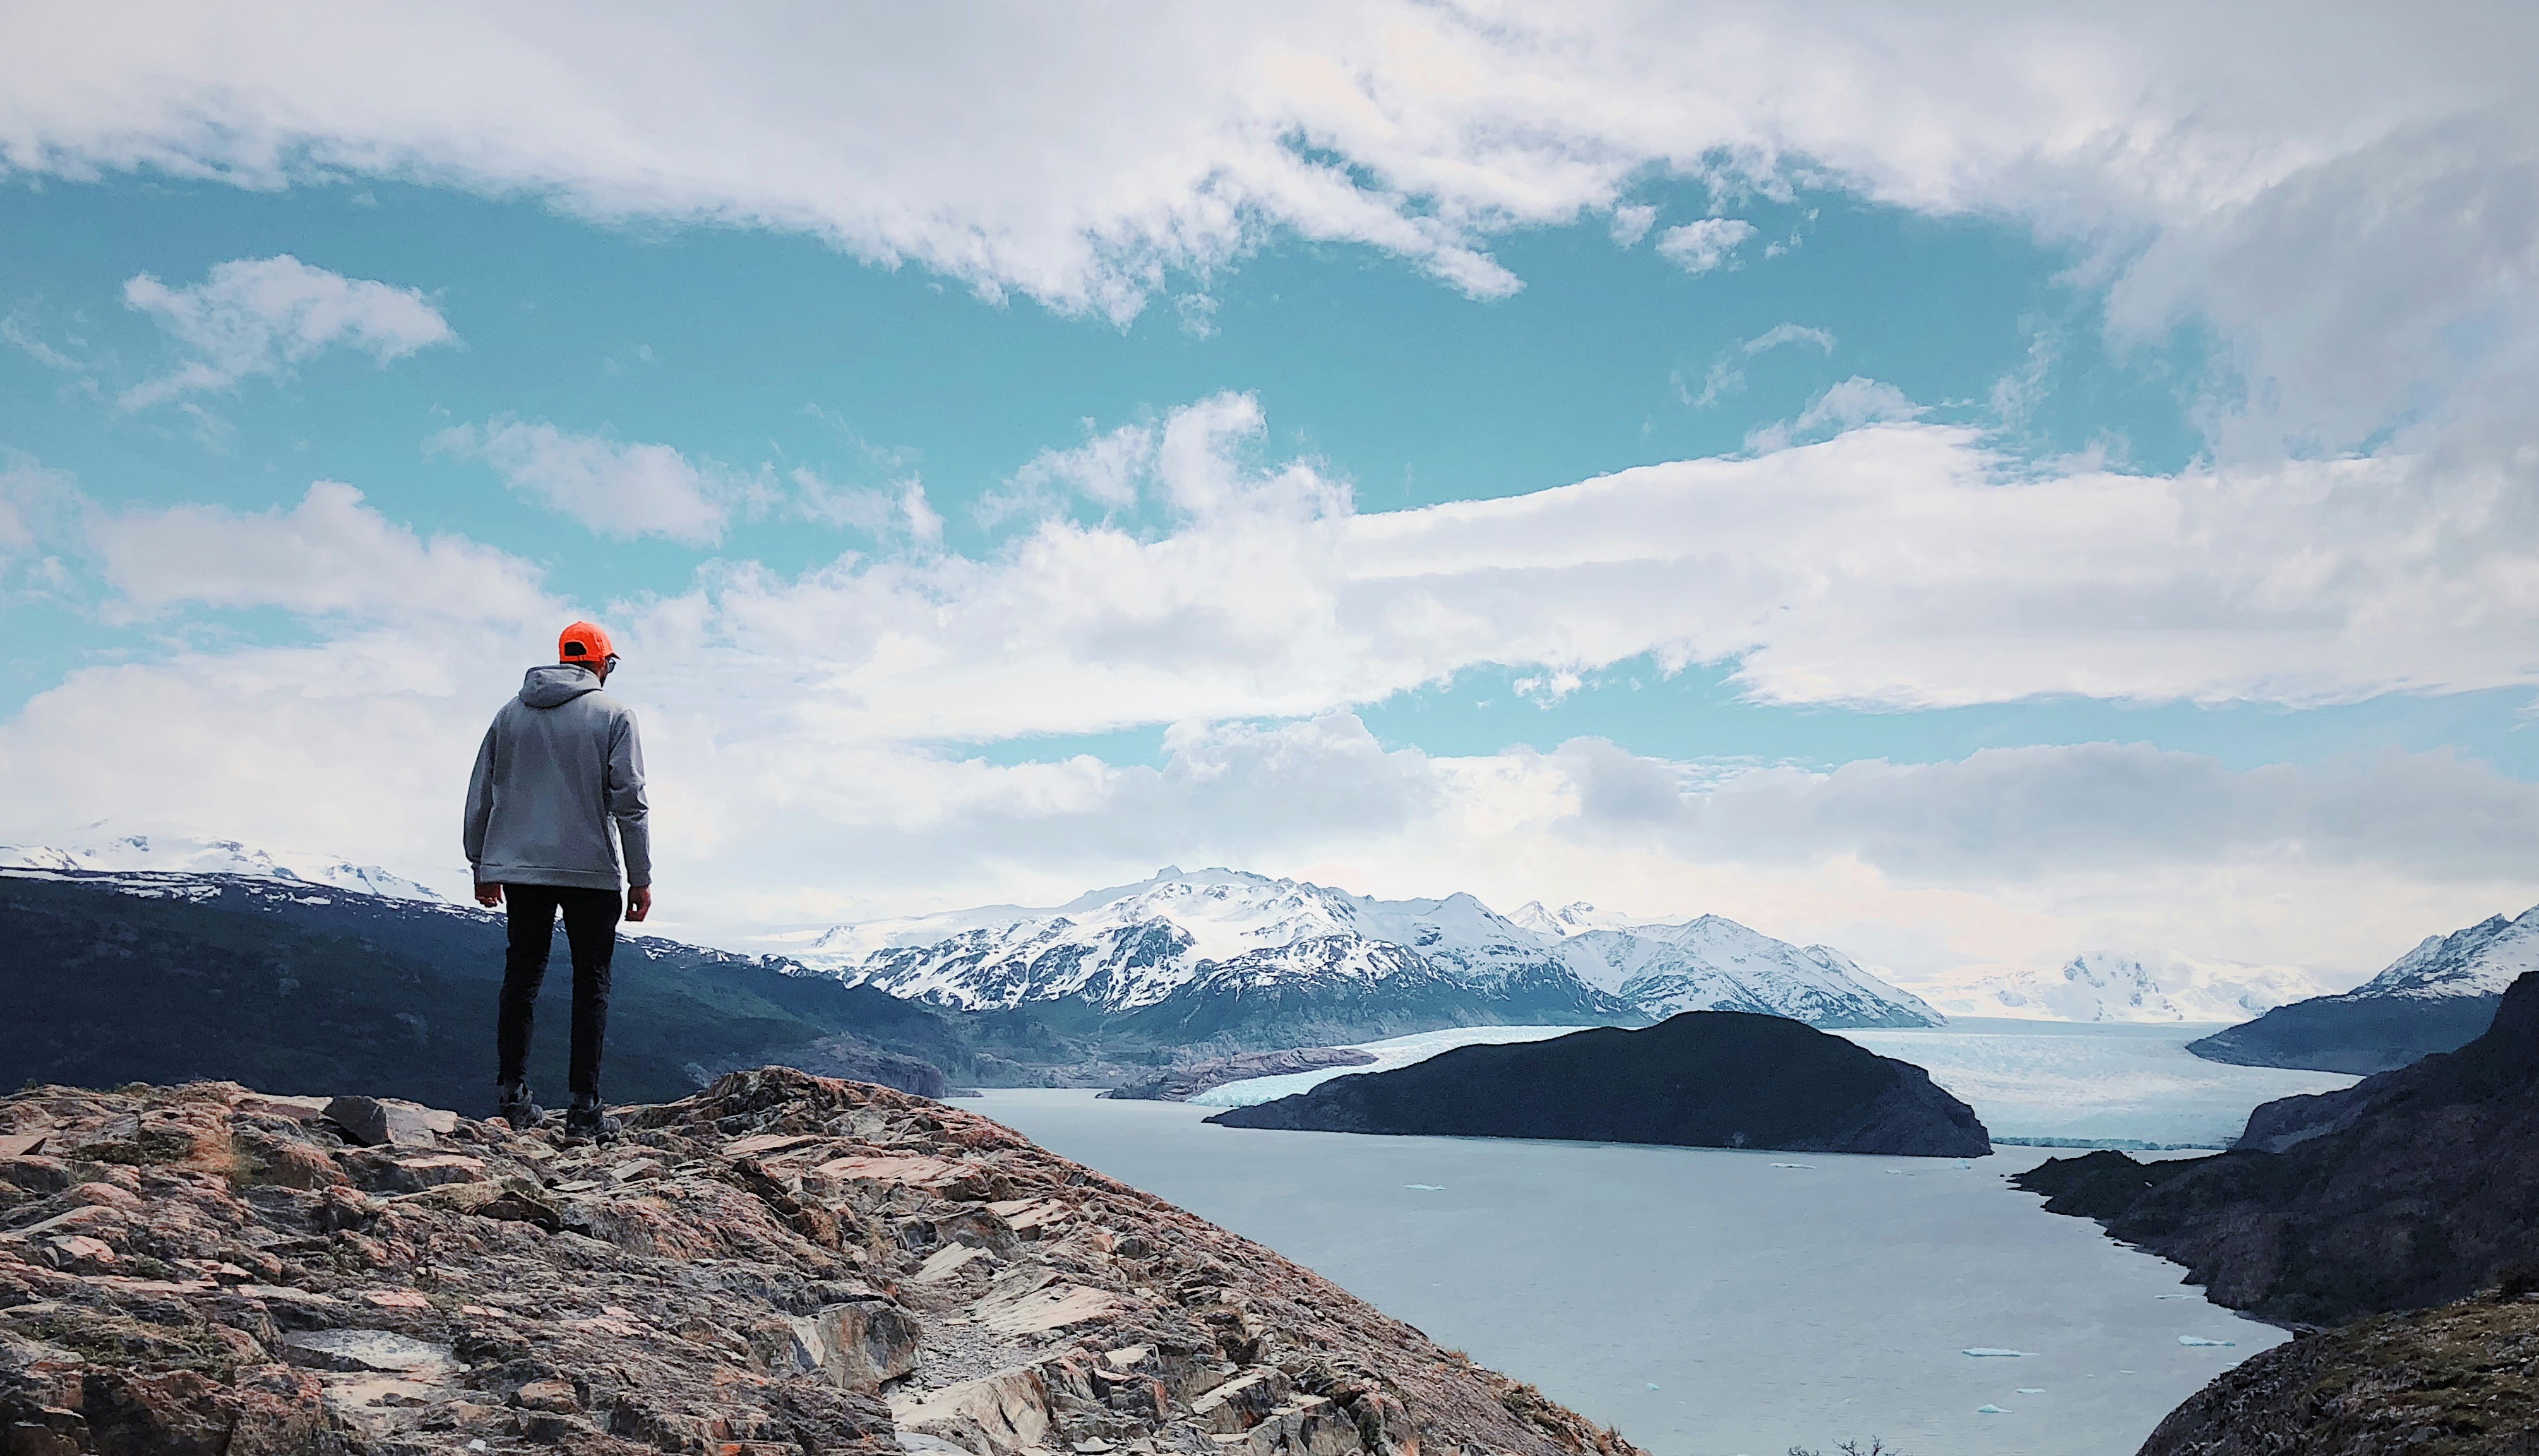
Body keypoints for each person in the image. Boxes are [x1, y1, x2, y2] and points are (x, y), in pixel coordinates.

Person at [462, 621, 652, 1140]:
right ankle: (584, 1110)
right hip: (590, 869)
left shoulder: (510, 714)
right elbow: (629, 803)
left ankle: (512, 1095)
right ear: (600, 664)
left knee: (522, 976)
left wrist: (482, 863)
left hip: (521, 869)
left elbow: (482, 792)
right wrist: (640, 876)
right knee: (590, 981)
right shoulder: (613, 716)